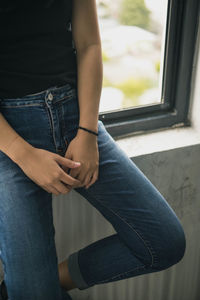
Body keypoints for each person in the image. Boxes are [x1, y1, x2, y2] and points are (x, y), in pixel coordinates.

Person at [0, 0, 186, 299]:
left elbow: (88, 45)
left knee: (164, 243)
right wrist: (23, 155)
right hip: (8, 142)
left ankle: (46, 283)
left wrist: (87, 132)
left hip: (76, 117)